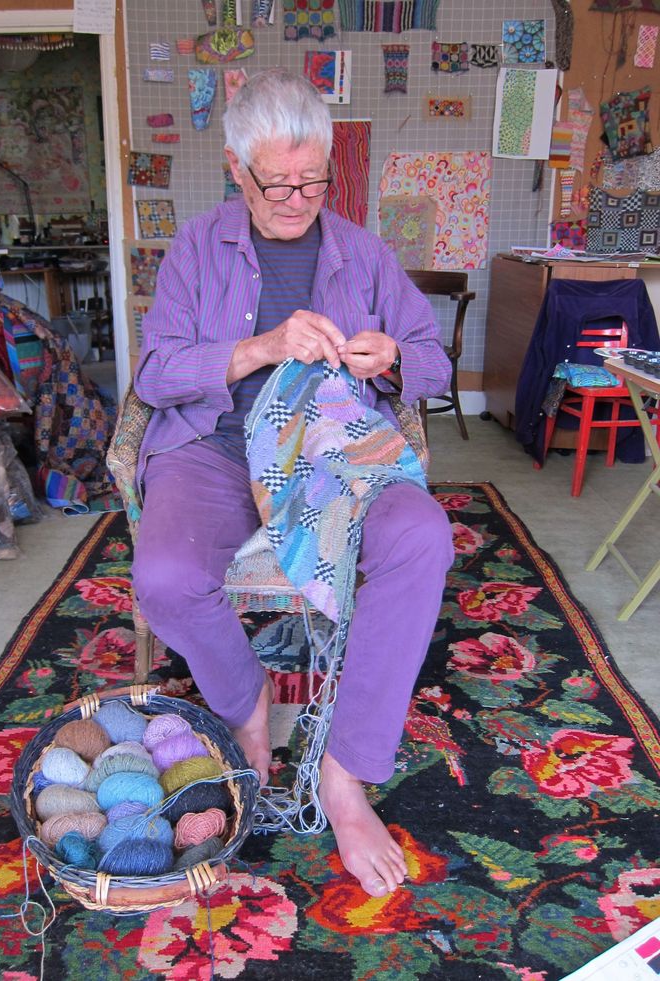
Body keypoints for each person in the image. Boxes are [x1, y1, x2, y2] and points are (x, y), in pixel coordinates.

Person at [133, 69, 454, 898]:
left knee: (422, 535)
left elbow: (432, 355)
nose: (297, 198)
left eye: (314, 180)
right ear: (238, 170)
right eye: (278, 182)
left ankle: (343, 779)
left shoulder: (361, 251)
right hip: (213, 446)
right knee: (166, 577)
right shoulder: (197, 249)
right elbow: (157, 372)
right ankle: (245, 704)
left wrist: (394, 357)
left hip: (327, 452)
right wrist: (258, 347)